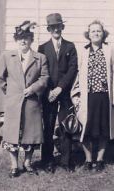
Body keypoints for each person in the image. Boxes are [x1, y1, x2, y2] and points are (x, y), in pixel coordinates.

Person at [0, 20, 49, 178]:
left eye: (26, 37)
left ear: (31, 39)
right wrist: (11, 91)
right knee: (12, 135)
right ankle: (14, 165)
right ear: (16, 40)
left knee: (30, 135)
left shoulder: (40, 58)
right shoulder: (7, 56)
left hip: (32, 102)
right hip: (13, 102)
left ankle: (27, 162)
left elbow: (45, 78)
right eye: (20, 38)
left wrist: (33, 89)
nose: (23, 40)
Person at [71, 20, 114, 171]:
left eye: (98, 31)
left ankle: (100, 160)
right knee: (85, 129)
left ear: (103, 34)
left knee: (103, 129)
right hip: (87, 96)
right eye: (93, 31)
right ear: (88, 35)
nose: (95, 33)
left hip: (104, 96)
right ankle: (88, 160)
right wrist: (76, 95)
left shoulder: (111, 49)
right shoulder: (83, 51)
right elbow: (77, 74)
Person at [38, 13, 78, 172]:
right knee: (47, 127)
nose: (56, 29)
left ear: (63, 27)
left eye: (58, 26)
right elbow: (41, 72)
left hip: (65, 93)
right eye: (53, 27)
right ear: (49, 29)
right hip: (48, 94)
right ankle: (47, 161)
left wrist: (60, 88)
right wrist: (49, 91)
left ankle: (66, 161)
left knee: (66, 126)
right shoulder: (42, 48)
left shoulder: (70, 46)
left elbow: (72, 69)